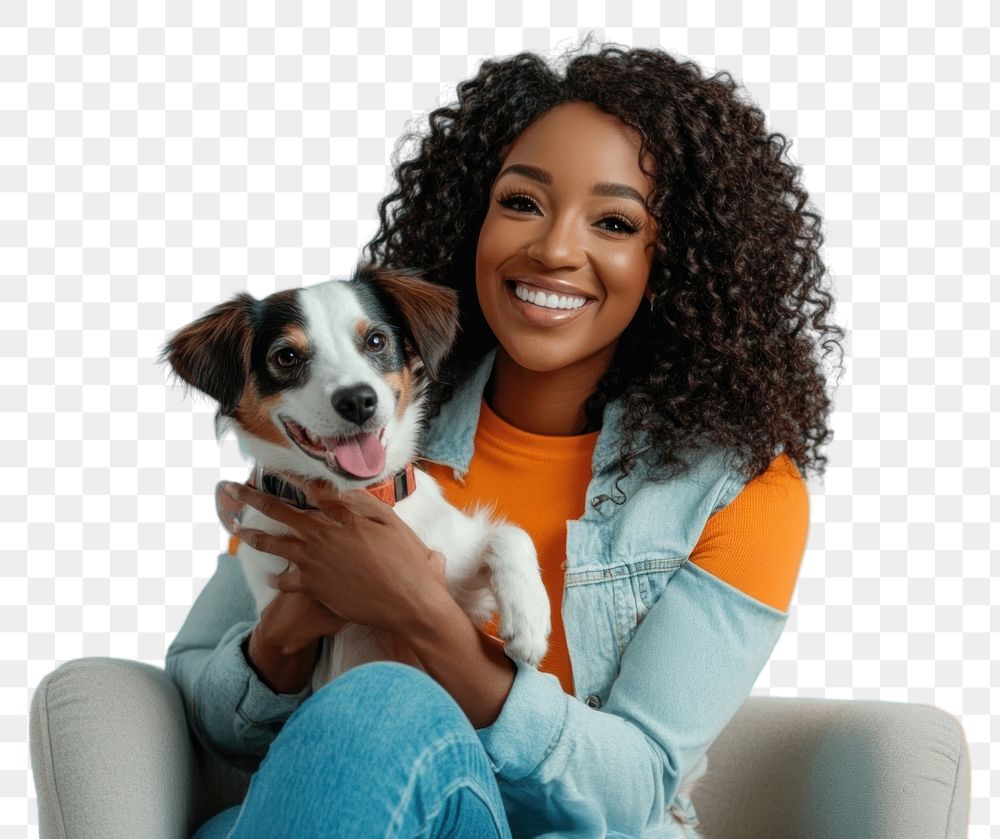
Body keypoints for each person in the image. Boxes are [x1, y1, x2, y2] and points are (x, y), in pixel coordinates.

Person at [167, 42, 844, 838]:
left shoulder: (743, 491)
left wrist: (421, 612)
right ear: (474, 214)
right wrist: (289, 624)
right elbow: (208, 711)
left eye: (616, 221)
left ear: (678, 261)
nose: (555, 249)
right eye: (522, 201)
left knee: (381, 703)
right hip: (364, 809)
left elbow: (634, 790)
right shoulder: (348, 436)